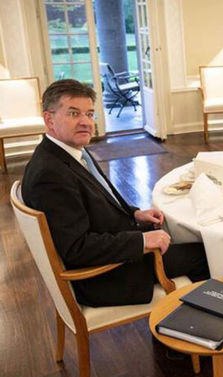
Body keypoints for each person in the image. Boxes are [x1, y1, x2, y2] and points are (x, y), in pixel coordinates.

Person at [22, 79, 210, 307]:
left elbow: (99, 201)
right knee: (206, 254)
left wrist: (135, 214)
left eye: (89, 114)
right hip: (106, 275)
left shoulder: (70, 152)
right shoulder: (50, 175)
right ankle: (201, 320)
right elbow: (76, 248)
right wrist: (142, 240)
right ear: (49, 119)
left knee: (186, 235)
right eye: (73, 113)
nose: (86, 122)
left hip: (114, 243)